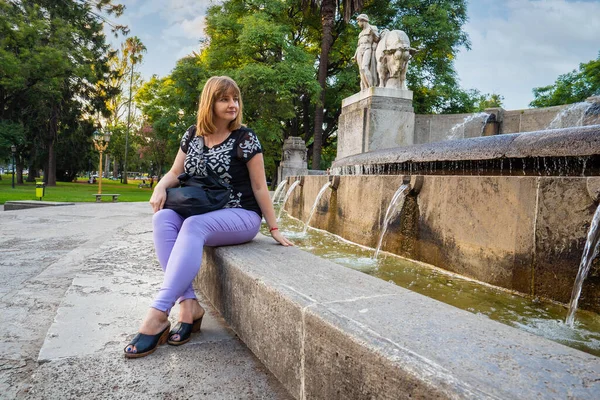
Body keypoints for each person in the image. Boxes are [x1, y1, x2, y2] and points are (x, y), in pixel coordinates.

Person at [124, 76, 293, 358]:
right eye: (225, 99)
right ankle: (189, 305)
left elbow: (260, 186)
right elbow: (176, 172)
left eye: (235, 99)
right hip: (202, 210)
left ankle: (157, 314)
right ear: (210, 102)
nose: (233, 105)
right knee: (162, 219)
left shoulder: (246, 138)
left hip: (240, 215)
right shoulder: (192, 135)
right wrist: (160, 186)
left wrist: (273, 227)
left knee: (192, 225)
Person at [352, 14, 380, 90]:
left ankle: (371, 87)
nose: (358, 23)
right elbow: (358, 45)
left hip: (368, 48)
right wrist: (355, 55)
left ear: (363, 20)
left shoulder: (373, 28)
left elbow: (377, 39)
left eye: (358, 21)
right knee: (361, 70)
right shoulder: (360, 33)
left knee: (365, 67)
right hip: (359, 50)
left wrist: (373, 33)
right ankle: (365, 88)